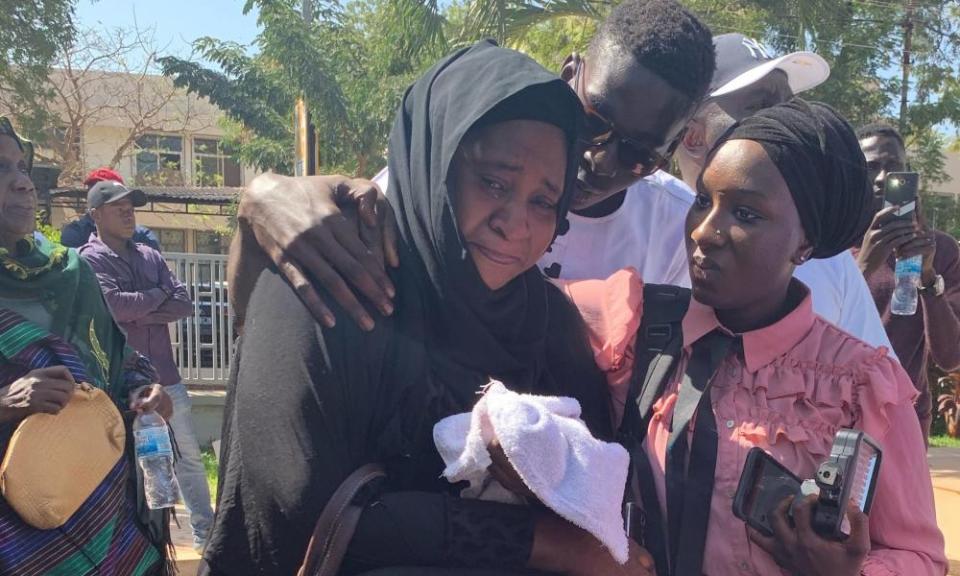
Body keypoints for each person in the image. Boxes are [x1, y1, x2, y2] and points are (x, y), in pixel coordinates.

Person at [202, 41, 655, 576]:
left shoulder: (546, 323)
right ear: (438, 163)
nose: (515, 223)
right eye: (493, 182)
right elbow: (293, 516)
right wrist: (534, 540)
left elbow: (597, 503)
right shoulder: (329, 281)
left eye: (542, 200)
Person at [566, 100, 946, 575]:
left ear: (805, 243)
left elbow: (921, 557)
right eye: (704, 200)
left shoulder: (861, 387)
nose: (704, 231)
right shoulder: (634, 320)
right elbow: (502, 292)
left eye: (745, 214)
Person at [225, 0, 715, 331]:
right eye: (593, 121)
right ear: (569, 74)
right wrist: (259, 205)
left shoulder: (675, 233)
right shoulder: (437, 181)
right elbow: (273, 325)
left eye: (637, 154)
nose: (599, 160)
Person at [0, 117, 174, 574]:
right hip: (16, 537)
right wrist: (4, 403)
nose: (22, 182)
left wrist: (142, 392)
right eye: (1, 169)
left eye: (21, 165)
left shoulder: (70, 274)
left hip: (101, 500)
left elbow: (120, 362)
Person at [671, 33, 892, 352]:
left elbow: (879, 387)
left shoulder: (826, 259)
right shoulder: (644, 222)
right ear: (693, 136)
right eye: (760, 107)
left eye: (786, 105)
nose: (784, 121)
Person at [78, 180, 215, 553]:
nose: (127, 213)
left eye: (130, 206)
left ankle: (207, 536)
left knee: (187, 460)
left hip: (168, 383)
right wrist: (157, 299)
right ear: (96, 215)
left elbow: (184, 303)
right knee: (133, 471)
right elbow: (115, 309)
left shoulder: (150, 256)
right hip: (124, 389)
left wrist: (141, 308)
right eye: (117, 206)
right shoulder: (88, 260)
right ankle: (139, 545)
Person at [854, 123, 960, 442]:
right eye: (871, 167)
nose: (883, 178)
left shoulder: (940, 250)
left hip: (905, 422)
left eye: (893, 167)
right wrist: (865, 264)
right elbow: (808, 333)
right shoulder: (827, 242)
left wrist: (928, 277)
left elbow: (951, 356)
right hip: (834, 411)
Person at [61, 167, 162, 251]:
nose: (96, 193)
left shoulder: (143, 237)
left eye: (130, 210)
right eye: (92, 188)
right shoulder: (75, 233)